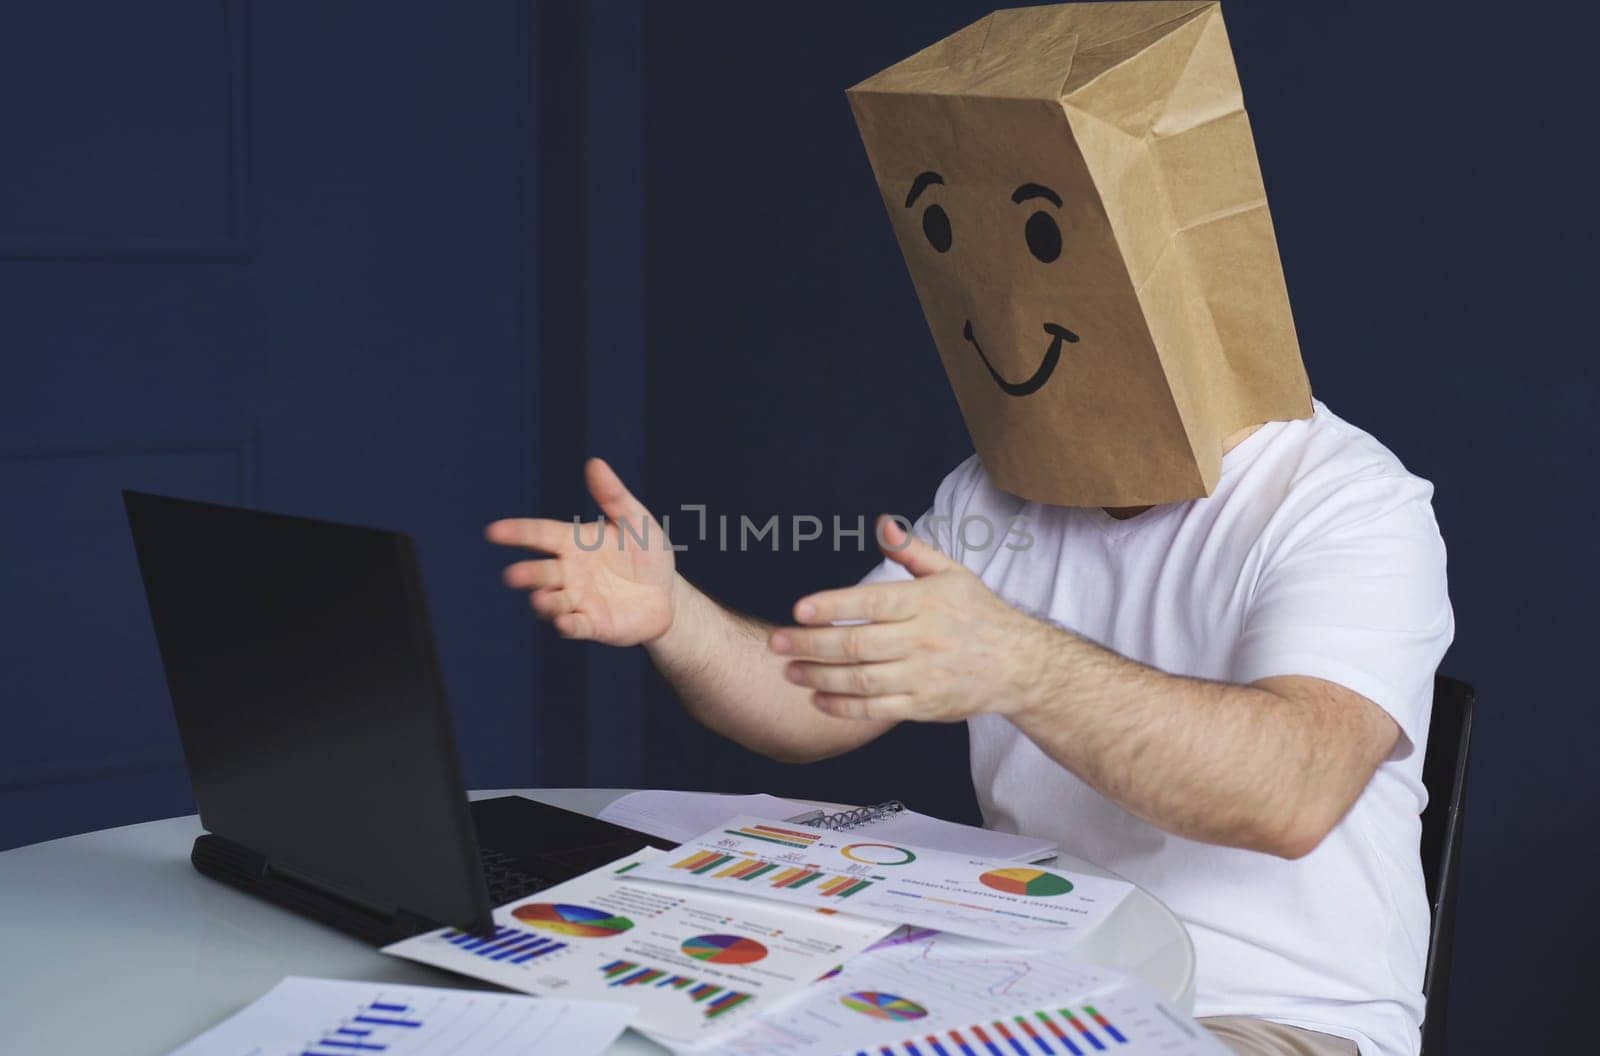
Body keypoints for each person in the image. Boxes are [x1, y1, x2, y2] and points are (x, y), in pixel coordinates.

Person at [489, 8, 1452, 1055]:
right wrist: (672, 615)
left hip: (1264, 1018)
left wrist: (1018, 665)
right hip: (1020, 981)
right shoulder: (998, 492)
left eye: (1047, 243)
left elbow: (1292, 793)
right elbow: (812, 703)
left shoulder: (1348, 502)